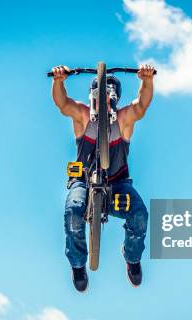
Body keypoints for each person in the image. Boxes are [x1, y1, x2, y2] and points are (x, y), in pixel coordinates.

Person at [50, 64, 155, 292]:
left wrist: (146, 79)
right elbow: (62, 104)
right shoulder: (82, 115)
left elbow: (141, 106)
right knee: (73, 212)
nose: (103, 99)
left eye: (108, 94)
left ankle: (132, 257)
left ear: (114, 97)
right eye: (98, 94)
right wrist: (58, 80)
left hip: (118, 182)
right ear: (92, 95)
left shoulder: (123, 119)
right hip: (84, 182)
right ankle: (78, 265)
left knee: (139, 214)